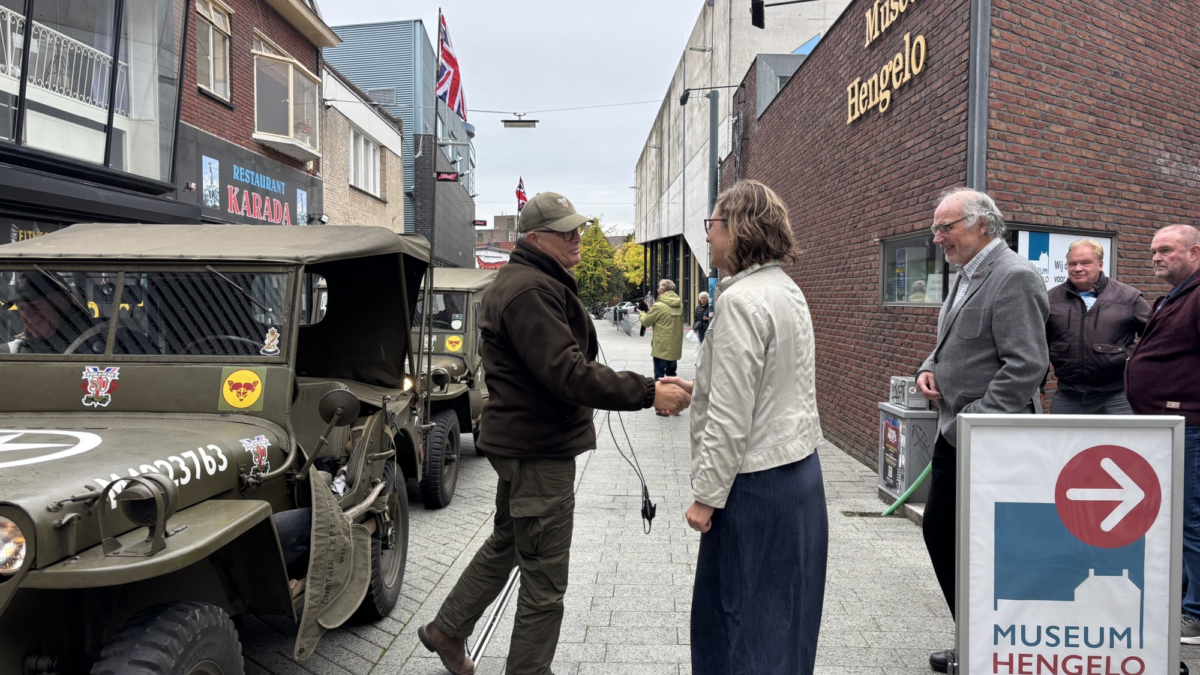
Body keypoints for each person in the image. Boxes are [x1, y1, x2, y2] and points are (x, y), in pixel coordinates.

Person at [416, 191, 691, 675]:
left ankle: (447, 630)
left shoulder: (531, 281)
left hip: (525, 445)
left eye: (578, 228)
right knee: (544, 580)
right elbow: (568, 372)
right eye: (565, 231)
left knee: (508, 543)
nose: (576, 238)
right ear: (535, 238)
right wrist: (648, 392)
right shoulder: (530, 291)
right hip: (538, 452)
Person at [659, 180, 826, 675]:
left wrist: (705, 497)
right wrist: (702, 387)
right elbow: (775, 381)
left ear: (737, 229)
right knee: (787, 623)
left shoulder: (738, 302)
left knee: (736, 628)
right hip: (799, 478)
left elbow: (732, 420)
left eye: (712, 225)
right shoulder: (786, 290)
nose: (707, 236)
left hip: (752, 488)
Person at [914, 187, 1049, 673]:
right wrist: (928, 368)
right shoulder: (966, 275)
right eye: (936, 228)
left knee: (981, 544)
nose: (937, 238)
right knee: (945, 535)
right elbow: (951, 340)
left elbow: (1027, 366)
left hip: (991, 440)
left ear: (982, 225)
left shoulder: (1014, 277)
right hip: (958, 434)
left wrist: (977, 421)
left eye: (945, 227)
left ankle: (992, 644)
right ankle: (978, 638)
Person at [1124, 224, 1200, 643]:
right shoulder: (1175, 296)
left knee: (1190, 520)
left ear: (1195, 252)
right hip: (1166, 427)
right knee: (1176, 516)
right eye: (1154, 251)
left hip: (1189, 426)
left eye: (1166, 250)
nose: (1156, 257)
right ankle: (1188, 597)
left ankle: (1197, 614)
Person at [1046, 238, 1149, 414]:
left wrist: (1132, 360)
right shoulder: (1051, 299)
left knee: (1120, 442)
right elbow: (1039, 346)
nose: (1077, 268)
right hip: (1068, 396)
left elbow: (1155, 338)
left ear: (1100, 265)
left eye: (1085, 263)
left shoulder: (1128, 298)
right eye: (1072, 264)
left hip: (1117, 396)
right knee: (1063, 441)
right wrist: (1039, 388)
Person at [2, 273, 95, 354]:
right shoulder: (13, 351)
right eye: (21, 309)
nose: (27, 315)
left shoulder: (98, 342)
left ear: (64, 302)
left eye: (35, 306)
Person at [639, 279, 684, 386]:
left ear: (663, 290)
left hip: (661, 346)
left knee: (659, 377)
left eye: (659, 288)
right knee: (671, 374)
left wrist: (641, 313)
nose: (658, 290)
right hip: (674, 346)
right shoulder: (680, 305)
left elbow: (646, 322)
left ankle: (660, 397)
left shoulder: (659, 305)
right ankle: (672, 395)